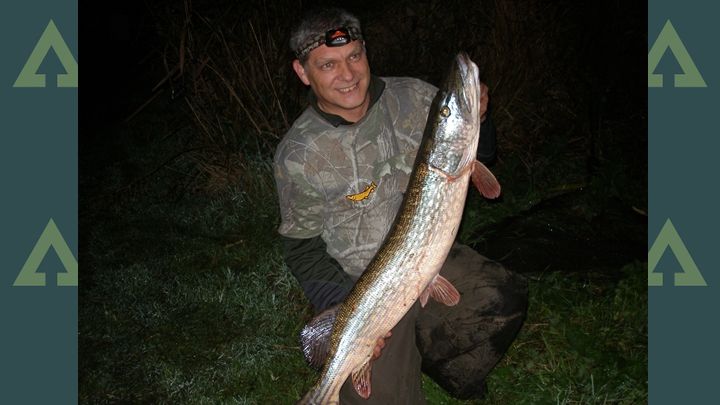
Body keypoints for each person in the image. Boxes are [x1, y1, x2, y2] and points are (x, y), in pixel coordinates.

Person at [273, 7, 528, 403]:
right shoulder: (299, 154)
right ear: (303, 72)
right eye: (328, 65)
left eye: (355, 56)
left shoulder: (412, 96)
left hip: (429, 262)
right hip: (360, 287)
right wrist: (347, 315)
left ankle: (453, 372)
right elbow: (301, 247)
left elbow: (482, 154)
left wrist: (479, 118)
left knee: (502, 298)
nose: (348, 74)